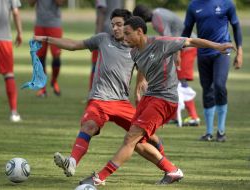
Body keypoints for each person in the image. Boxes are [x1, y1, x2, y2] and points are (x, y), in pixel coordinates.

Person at [79, 16, 235, 186]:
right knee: (137, 143)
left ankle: (99, 178)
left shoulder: (161, 43)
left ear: (140, 32)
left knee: (131, 138)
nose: (124, 38)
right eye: (123, 35)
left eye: (128, 34)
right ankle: (172, 170)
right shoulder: (134, 52)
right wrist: (140, 85)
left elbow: (191, 41)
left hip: (165, 99)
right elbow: (142, 69)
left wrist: (218, 46)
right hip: (150, 97)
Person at [34, 9, 165, 178]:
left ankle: (167, 165)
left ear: (128, 26)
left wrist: (140, 82)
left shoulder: (135, 47)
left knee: (149, 137)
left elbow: (144, 66)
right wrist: (46, 39)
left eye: (119, 25)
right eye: (113, 25)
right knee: (89, 125)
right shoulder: (103, 39)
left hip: (121, 102)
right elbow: (73, 45)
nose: (115, 29)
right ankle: (72, 162)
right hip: (99, 99)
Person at [182, 0, 243, 141]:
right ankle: (209, 133)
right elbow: (186, 31)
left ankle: (221, 131)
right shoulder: (193, 6)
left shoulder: (227, 3)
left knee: (219, 86)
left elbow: (236, 26)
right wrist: (178, 52)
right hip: (203, 54)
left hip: (222, 52)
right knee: (207, 90)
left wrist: (239, 51)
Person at [133, 5, 200, 127]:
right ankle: (174, 115)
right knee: (174, 79)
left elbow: (169, 40)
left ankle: (193, 116)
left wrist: (176, 55)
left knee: (181, 79)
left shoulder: (156, 21)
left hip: (187, 47)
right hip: (183, 46)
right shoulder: (158, 11)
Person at [28, 0, 65, 97]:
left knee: (56, 56)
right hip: (40, 25)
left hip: (54, 25)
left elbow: (60, 2)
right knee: (40, 58)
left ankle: (54, 81)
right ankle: (42, 88)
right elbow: (30, 3)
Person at [0, 0, 22, 122]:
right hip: (3, 37)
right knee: (8, 74)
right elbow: (16, 12)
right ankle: (14, 112)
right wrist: (20, 32)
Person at [89, 0, 124, 89]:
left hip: (105, 31)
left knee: (96, 64)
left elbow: (102, 10)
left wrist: (97, 36)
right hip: (118, 32)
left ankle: (92, 92)